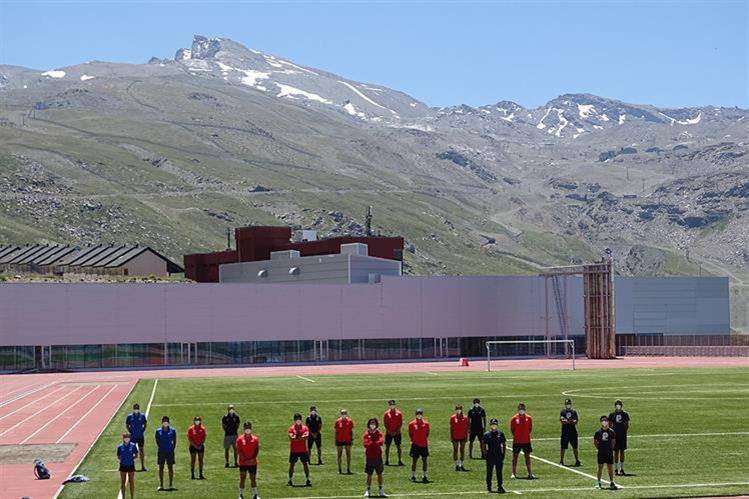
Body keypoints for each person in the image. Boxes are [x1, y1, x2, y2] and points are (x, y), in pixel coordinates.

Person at [509, 403, 535, 479]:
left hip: (526, 441)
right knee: (515, 457)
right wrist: (517, 435)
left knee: (527, 457)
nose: (521, 410)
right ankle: (513, 473)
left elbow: (530, 429)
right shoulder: (514, 418)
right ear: (518, 409)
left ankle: (529, 473)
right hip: (517, 441)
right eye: (520, 409)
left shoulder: (529, 418)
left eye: (523, 409)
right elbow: (512, 430)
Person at [362, 417, 386, 497]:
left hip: (378, 457)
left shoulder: (379, 433)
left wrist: (372, 443)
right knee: (369, 474)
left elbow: (381, 442)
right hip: (369, 457)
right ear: (368, 424)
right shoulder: (366, 434)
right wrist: (374, 443)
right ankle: (368, 490)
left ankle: (381, 490)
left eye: (374, 423)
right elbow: (365, 444)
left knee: (379, 474)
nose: (373, 424)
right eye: (371, 423)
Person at [236, 421, 261, 499]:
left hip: (253, 463)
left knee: (253, 478)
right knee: (242, 478)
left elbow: (256, 450)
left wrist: (252, 459)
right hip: (243, 463)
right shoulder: (240, 439)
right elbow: (239, 451)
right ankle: (241, 495)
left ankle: (255, 494)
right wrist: (245, 460)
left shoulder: (255, 439)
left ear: (251, 428)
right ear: (244, 428)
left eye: (249, 427)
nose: (248, 429)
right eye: (246, 427)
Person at [482, 418, 507, 494]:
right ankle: (489, 485)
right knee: (489, 472)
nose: (494, 426)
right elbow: (483, 445)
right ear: (490, 425)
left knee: (499, 472)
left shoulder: (501, 434)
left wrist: (503, 454)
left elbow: (504, 444)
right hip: (490, 456)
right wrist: (485, 454)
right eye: (493, 424)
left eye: (495, 424)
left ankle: (500, 486)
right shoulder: (486, 434)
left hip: (499, 456)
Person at [594, 416, 618, 490]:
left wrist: (610, 448)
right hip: (601, 452)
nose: (604, 422)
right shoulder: (598, 432)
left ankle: (611, 482)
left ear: (608, 421)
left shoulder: (612, 432)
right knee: (600, 467)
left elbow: (613, 442)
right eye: (602, 420)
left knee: (610, 468)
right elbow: (595, 442)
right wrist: (600, 448)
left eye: (605, 420)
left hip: (609, 453)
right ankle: (598, 482)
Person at [288, 413, 311, 487]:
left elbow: (306, 437)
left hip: (303, 450)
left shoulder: (305, 428)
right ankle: (290, 480)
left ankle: (308, 479)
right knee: (292, 465)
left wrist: (297, 437)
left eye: (299, 419)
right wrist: (300, 438)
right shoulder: (291, 428)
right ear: (294, 420)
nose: (298, 420)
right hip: (294, 450)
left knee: (305, 464)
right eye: (296, 419)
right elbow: (292, 438)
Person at [155, 415, 177, 491]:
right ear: (162, 422)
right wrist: (161, 447)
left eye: (166, 421)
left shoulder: (172, 431)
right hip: (161, 452)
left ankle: (171, 484)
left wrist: (172, 448)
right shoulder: (158, 431)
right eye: (164, 421)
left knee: (170, 467)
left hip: (170, 452)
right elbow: (157, 441)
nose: (165, 423)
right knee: (161, 467)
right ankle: (161, 485)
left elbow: (174, 441)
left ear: (168, 422)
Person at [408, 408, 430, 483]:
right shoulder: (411, 424)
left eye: (420, 413)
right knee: (414, 461)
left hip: (424, 445)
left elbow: (427, 433)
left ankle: (424, 476)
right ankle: (413, 476)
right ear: (415, 414)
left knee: (424, 461)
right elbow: (410, 434)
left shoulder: (426, 424)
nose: (419, 415)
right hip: (415, 445)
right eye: (418, 413)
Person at [608, 399, 630, 475]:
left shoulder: (625, 414)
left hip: (622, 435)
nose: (618, 406)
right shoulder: (612, 415)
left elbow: (627, 425)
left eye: (619, 404)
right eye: (617, 404)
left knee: (622, 451)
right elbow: (610, 425)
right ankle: (616, 468)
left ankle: (622, 468)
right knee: (616, 451)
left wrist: (623, 432)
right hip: (615, 435)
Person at [125, 403, 147, 471]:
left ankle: (143, 466)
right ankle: (132, 466)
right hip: (133, 437)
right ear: (133, 409)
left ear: (139, 409)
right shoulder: (129, 416)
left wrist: (143, 430)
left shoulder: (142, 416)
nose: (136, 410)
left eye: (137, 408)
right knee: (132, 452)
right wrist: (130, 431)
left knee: (141, 451)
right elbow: (127, 425)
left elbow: (145, 424)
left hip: (140, 436)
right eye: (135, 408)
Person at [559, 398, 581, 467]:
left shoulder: (574, 411)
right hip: (565, 432)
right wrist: (570, 421)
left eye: (568, 404)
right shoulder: (562, 411)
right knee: (563, 447)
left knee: (575, 447)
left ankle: (577, 460)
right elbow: (562, 421)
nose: (567, 405)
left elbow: (576, 421)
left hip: (573, 432)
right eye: (566, 404)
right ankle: (561, 460)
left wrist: (568, 421)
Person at [116, 432, 138, 499]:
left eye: (127, 437)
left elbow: (136, 455)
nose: (126, 438)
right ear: (123, 438)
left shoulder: (133, 445)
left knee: (131, 482)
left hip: (131, 465)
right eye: (125, 437)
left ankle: (132, 497)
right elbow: (118, 456)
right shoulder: (120, 447)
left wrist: (131, 459)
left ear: (130, 437)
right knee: (123, 482)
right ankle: (123, 497)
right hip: (123, 466)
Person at [383, 400, 403, 466]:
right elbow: (385, 424)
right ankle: (386, 460)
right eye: (391, 404)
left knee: (398, 446)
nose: (392, 405)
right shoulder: (386, 413)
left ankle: (400, 460)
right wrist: (389, 431)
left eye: (393, 404)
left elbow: (400, 423)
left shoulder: (399, 413)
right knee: (387, 447)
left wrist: (396, 431)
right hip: (388, 433)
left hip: (397, 433)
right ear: (389, 405)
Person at [335, 408, 354, 474]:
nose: (344, 414)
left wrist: (351, 439)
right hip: (339, 439)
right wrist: (336, 440)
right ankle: (339, 469)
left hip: (347, 439)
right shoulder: (338, 421)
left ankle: (348, 469)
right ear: (340, 414)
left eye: (345, 413)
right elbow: (336, 431)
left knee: (348, 454)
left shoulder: (350, 421)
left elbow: (351, 431)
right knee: (339, 454)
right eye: (342, 413)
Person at [450, 404, 469, 471]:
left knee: (462, 450)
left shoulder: (465, 418)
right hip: (455, 436)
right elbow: (451, 428)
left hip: (463, 436)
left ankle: (461, 464)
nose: (458, 410)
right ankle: (456, 465)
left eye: (459, 409)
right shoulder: (452, 418)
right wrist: (451, 437)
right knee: (455, 450)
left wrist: (467, 436)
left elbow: (466, 428)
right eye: (457, 409)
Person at [187, 415, 206, 480]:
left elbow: (204, 437)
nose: (197, 421)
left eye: (198, 420)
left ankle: (201, 474)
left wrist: (201, 444)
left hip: (200, 446)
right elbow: (189, 438)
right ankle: (192, 474)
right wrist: (195, 446)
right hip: (193, 446)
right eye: (196, 420)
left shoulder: (202, 428)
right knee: (193, 460)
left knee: (201, 460)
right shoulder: (190, 429)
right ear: (194, 421)